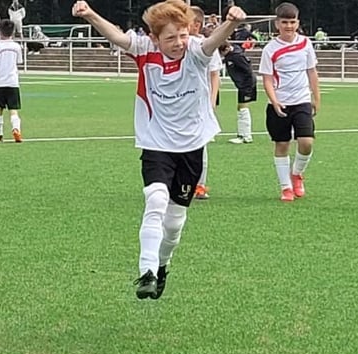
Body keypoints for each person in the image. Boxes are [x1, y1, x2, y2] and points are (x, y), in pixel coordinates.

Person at [71, 0, 246, 300]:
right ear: (154, 38)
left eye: (183, 35)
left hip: (191, 146)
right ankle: (147, 271)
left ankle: (162, 266)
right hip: (156, 143)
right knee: (155, 199)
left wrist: (231, 23)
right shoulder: (144, 49)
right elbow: (117, 37)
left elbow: (211, 42)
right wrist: (89, 14)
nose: (178, 43)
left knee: (174, 222)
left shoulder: (195, 51)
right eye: (170, 38)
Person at [259, 2, 320, 202]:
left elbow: (312, 71)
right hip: (280, 103)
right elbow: (267, 78)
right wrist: (274, 101)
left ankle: (297, 174)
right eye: (284, 22)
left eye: (292, 22)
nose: (289, 26)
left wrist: (316, 97)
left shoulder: (305, 43)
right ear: (277, 24)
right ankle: (285, 187)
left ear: (298, 23)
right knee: (282, 145)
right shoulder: (270, 49)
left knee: (306, 142)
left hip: (301, 100)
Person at [188, 5, 223, 200]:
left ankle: (199, 184)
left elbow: (214, 75)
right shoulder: (180, 43)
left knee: (200, 143)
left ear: (196, 25)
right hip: (181, 101)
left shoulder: (206, 45)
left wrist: (212, 100)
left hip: (200, 103)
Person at [0, 20, 23, 143]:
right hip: (13, 82)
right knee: (13, 109)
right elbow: (19, 62)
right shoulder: (17, 46)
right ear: (13, 32)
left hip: (0, 82)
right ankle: (16, 128)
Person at [219, 42, 256, 144]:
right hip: (243, 85)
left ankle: (246, 136)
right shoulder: (232, 54)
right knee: (241, 108)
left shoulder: (237, 57)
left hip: (247, 84)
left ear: (226, 49)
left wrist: (245, 85)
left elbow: (248, 69)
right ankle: (242, 134)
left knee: (243, 108)